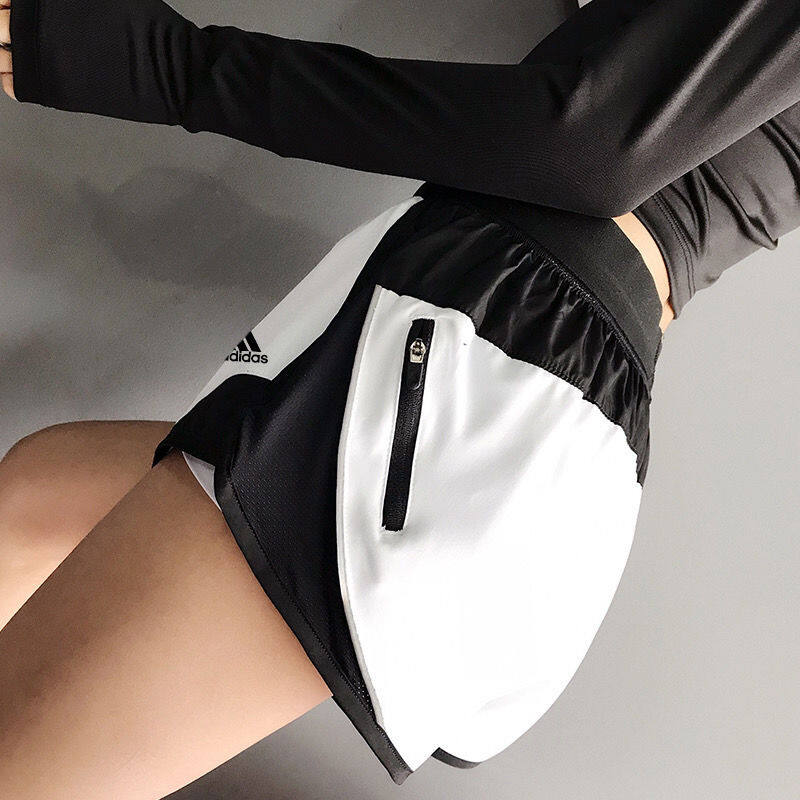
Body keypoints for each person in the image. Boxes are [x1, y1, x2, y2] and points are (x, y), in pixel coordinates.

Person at [0, 0, 797, 795]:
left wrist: (162, 65)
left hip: (483, 353)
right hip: (512, 379)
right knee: (34, 498)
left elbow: (582, 148)